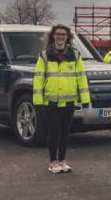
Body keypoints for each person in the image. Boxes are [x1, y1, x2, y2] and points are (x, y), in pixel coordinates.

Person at [33, 24, 90, 174]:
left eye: (63, 35)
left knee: (65, 132)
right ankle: (53, 162)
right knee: (54, 132)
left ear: (68, 37)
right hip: (51, 102)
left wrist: (85, 99)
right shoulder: (45, 55)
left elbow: (81, 78)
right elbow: (38, 79)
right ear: (53, 36)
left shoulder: (75, 55)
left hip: (69, 102)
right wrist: (38, 101)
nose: (60, 37)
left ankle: (62, 160)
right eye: (58, 34)